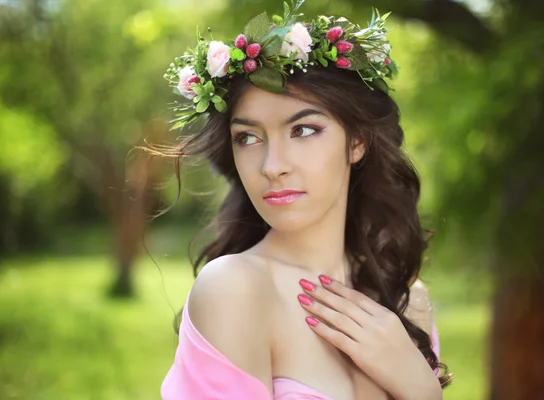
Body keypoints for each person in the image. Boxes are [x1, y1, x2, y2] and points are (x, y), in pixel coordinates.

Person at [156, 1, 451, 398]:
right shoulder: (234, 291)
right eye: (247, 137)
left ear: (358, 141)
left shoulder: (407, 300)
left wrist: (420, 388)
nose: (272, 166)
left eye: (304, 130)